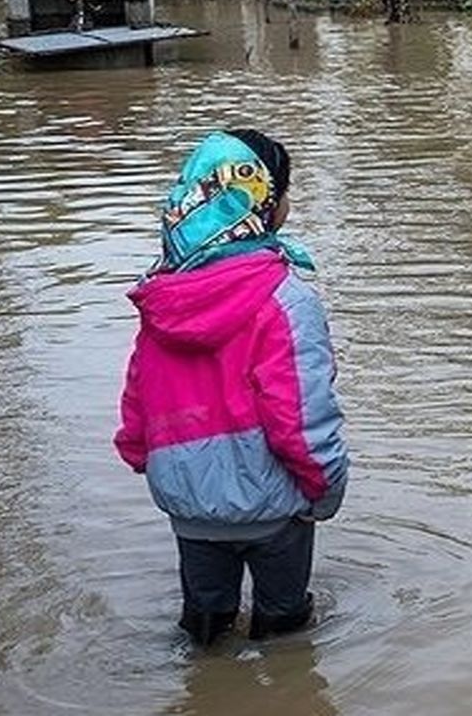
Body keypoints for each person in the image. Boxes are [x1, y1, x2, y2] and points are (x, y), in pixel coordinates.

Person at [114, 129, 349, 646]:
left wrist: (143, 455)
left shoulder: (162, 297)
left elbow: (139, 397)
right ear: (262, 202)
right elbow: (302, 419)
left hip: (189, 508)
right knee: (285, 633)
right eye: (284, 190)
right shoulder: (286, 301)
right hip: (273, 511)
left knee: (203, 627)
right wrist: (326, 489)